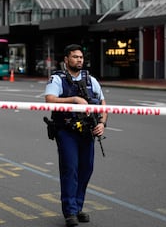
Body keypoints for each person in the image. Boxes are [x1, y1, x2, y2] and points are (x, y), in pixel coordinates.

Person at [44, 44, 108, 227]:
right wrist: (74, 100)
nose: (79, 60)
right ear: (66, 60)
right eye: (75, 57)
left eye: (81, 57)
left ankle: (78, 207)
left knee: (86, 169)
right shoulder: (58, 78)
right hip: (66, 131)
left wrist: (102, 124)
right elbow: (49, 100)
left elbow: (103, 104)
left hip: (87, 131)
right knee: (70, 169)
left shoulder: (91, 79)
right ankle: (70, 211)